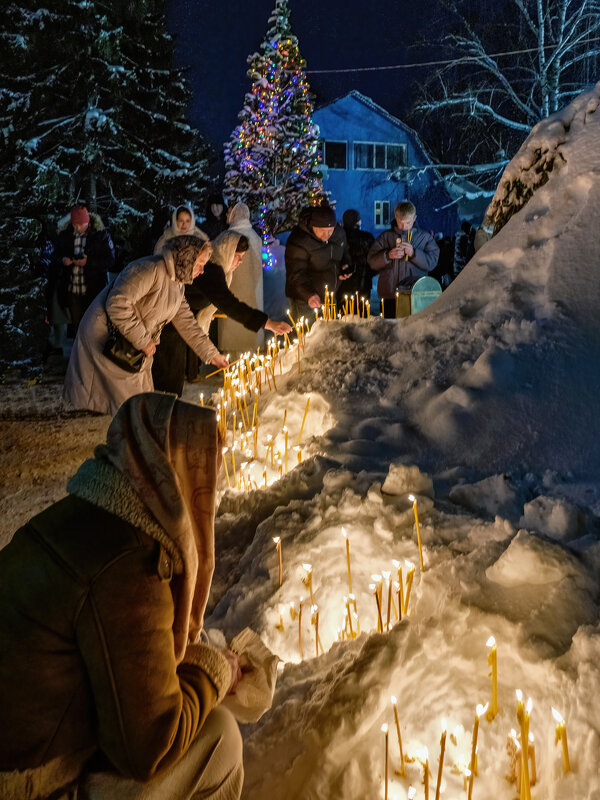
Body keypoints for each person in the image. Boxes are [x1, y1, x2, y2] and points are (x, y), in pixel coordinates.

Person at [0, 393, 243, 800]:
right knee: (220, 737)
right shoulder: (133, 564)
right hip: (25, 779)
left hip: (26, 740)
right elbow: (148, 748)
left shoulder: (88, 514)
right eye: (204, 477)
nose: (211, 496)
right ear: (173, 471)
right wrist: (213, 672)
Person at [64, 236, 228, 415]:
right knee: (133, 406)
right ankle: (132, 439)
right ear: (185, 259)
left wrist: (212, 355)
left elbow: (186, 322)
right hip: (109, 339)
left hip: (133, 343)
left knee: (141, 402)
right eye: (199, 264)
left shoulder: (177, 283)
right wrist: (143, 340)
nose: (202, 270)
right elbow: (117, 304)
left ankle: (136, 437)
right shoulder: (148, 270)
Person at [152, 231, 291, 396]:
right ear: (227, 250)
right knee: (167, 385)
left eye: (242, 256)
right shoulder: (211, 270)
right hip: (167, 328)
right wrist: (267, 323)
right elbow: (229, 304)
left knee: (171, 384)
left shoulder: (216, 268)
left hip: (179, 324)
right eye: (237, 255)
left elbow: (211, 299)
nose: (240, 261)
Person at [368, 200, 439, 318]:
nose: (404, 227)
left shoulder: (425, 238)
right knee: (388, 328)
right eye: (401, 222)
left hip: (414, 294)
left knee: (412, 329)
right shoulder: (386, 237)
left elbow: (432, 262)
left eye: (408, 222)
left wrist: (414, 253)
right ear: (396, 217)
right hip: (389, 294)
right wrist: (387, 256)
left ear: (415, 218)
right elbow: (372, 261)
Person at [284, 203, 352, 321]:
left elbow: (345, 251)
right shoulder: (299, 241)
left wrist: (345, 265)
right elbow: (296, 273)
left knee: (331, 335)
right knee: (309, 337)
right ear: (313, 226)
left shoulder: (339, 234)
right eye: (321, 231)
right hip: (304, 299)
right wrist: (309, 295)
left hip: (329, 296)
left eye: (330, 231)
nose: (326, 236)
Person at [53, 204, 115, 332]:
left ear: (88, 222)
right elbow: (55, 255)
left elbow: (110, 260)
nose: (78, 228)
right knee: (78, 326)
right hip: (73, 290)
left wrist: (89, 262)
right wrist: (63, 260)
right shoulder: (66, 235)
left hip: (94, 289)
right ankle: (79, 349)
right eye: (75, 225)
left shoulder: (100, 235)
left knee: (94, 327)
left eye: (81, 225)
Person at [220, 202, 265, 354]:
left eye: (229, 213)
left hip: (231, 288)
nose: (227, 215)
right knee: (247, 325)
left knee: (232, 322)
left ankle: (230, 363)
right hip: (251, 291)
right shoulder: (255, 237)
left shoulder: (226, 237)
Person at [338, 209, 375, 304]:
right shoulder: (367, 238)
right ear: (357, 221)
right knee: (362, 315)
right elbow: (374, 261)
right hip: (363, 283)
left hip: (343, 283)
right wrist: (369, 274)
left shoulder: (339, 237)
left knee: (344, 315)